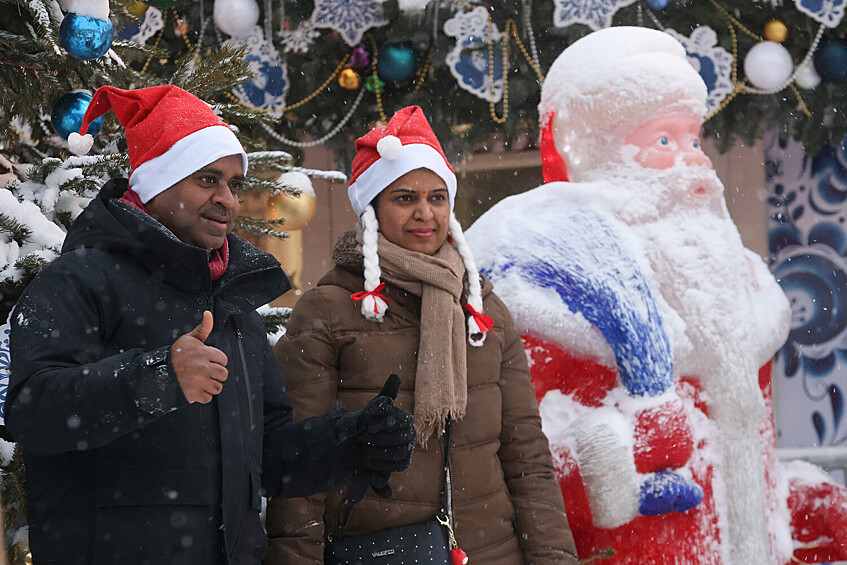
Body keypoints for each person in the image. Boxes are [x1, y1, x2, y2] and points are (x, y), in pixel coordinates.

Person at [466, 26, 847, 565]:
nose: (694, 161)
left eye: (694, 140)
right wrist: (614, 456)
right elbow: (514, 464)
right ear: (599, 160)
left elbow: (744, 459)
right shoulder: (539, 293)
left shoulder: (744, 293)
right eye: (664, 141)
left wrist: (799, 505)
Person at [5, 85, 414, 565]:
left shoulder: (232, 300)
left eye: (235, 185)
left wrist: (351, 442)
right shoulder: (78, 280)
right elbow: (32, 409)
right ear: (157, 184)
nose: (229, 200)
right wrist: (159, 376)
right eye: (208, 180)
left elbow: (267, 453)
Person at [263, 105, 579, 564]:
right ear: (372, 208)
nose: (424, 213)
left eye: (437, 197)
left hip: (491, 552)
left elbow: (526, 454)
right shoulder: (329, 310)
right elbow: (299, 473)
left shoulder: (483, 312)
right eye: (405, 197)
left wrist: (554, 558)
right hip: (380, 551)